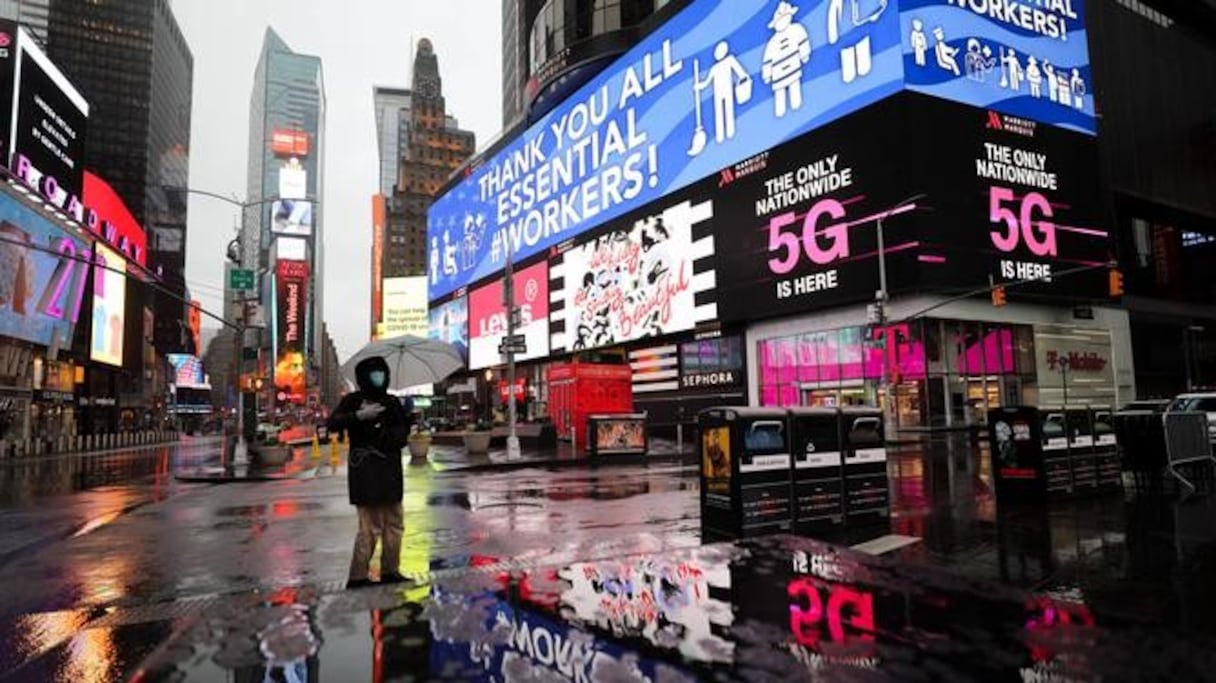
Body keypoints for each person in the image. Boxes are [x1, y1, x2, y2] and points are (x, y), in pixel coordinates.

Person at [327, 356, 412, 588]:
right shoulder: (353, 400)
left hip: (390, 472)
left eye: (381, 373)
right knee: (369, 527)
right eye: (374, 373)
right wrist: (359, 416)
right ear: (364, 377)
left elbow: (400, 437)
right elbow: (332, 423)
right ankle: (358, 576)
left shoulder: (392, 402)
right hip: (365, 472)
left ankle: (391, 570)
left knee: (395, 523)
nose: (379, 377)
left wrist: (402, 422)